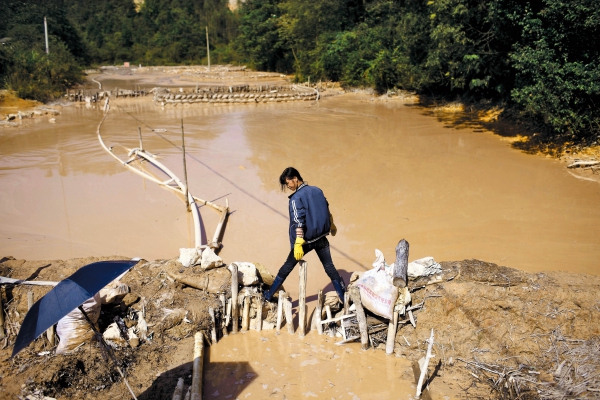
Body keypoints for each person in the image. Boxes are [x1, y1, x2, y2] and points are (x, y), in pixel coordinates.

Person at [263, 167, 347, 303]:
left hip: (305, 242)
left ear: (295, 179)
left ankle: (269, 294)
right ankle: (343, 296)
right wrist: (331, 224)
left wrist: (298, 242)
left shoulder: (295, 198)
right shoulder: (317, 190)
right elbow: (326, 208)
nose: (288, 186)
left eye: (288, 183)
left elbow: (298, 221)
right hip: (321, 238)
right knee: (330, 268)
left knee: (287, 267)